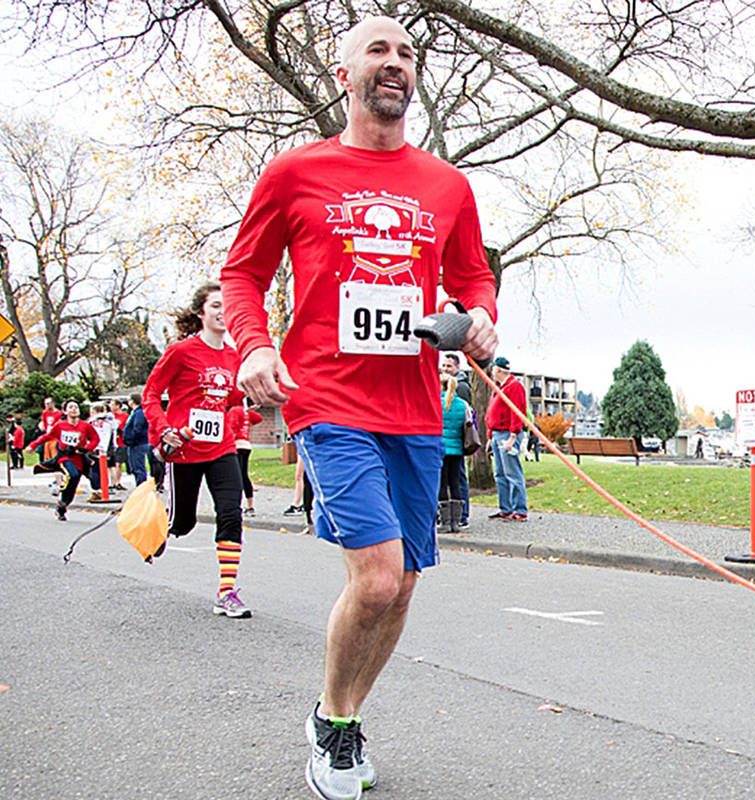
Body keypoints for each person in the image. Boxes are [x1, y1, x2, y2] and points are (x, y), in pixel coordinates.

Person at [220, 15, 498, 800]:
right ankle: (337, 728)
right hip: (327, 400)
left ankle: (338, 714)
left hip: (412, 406)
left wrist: (479, 317)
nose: (395, 63)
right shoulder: (295, 172)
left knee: (404, 583)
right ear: (343, 75)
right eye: (377, 50)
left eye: (407, 53)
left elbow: (475, 279)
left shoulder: (447, 185)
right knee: (376, 579)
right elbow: (242, 275)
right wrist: (254, 346)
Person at [143, 281, 250, 617]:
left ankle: (227, 592)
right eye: (216, 305)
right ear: (201, 312)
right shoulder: (181, 352)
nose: (222, 311)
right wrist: (165, 431)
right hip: (184, 449)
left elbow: (231, 399)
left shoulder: (235, 356)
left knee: (231, 514)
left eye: (227, 305)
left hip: (222, 448)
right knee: (182, 523)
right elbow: (151, 394)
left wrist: (250, 397)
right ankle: (154, 529)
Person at [26, 400, 99, 521]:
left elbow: (95, 439)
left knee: (74, 484)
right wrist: (32, 445)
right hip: (65, 457)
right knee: (72, 475)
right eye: (70, 407)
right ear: (65, 411)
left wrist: (86, 448)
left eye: (76, 407)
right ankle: (61, 494)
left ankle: (62, 507)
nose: (74, 409)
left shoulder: (85, 426)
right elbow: (47, 436)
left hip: (78, 458)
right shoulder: (60, 426)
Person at [485, 356, 528, 522]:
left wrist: (513, 436)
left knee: (512, 472)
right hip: (496, 433)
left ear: (497, 370)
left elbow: (518, 411)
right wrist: (490, 435)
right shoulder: (498, 387)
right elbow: (492, 412)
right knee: (500, 473)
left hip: (506, 433)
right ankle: (505, 507)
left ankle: (519, 509)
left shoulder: (514, 386)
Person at [441, 353, 472, 528]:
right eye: (444, 366)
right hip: (457, 447)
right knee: (455, 481)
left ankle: (449, 519)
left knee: (446, 481)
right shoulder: (461, 405)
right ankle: (457, 517)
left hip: (444, 446)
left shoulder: (458, 392)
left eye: (448, 366)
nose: (445, 369)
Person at [228, 400, 264, 517]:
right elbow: (258, 418)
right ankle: (250, 505)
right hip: (246, 445)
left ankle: (235, 505)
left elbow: (233, 427)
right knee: (244, 475)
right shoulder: (245, 412)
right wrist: (248, 412)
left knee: (235, 477)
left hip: (236, 445)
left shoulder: (234, 410)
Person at [87, 401, 117, 501]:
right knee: (103, 470)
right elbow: (113, 435)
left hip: (94, 448)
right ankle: (103, 489)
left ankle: (97, 490)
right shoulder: (110, 422)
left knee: (94, 470)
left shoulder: (91, 422)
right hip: (106, 448)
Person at [124, 393, 150, 485]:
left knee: (138, 466)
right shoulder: (135, 412)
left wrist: (131, 438)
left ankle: (141, 486)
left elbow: (137, 428)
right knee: (134, 467)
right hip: (134, 444)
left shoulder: (139, 413)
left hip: (137, 444)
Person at [109, 399, 129, 490]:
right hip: (111, 443)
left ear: (118, 406)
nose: (110, 406)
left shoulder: (125, 416)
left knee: (118, 463)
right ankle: (112, 481)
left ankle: (117, 482)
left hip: (121, 442)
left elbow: (125, 428)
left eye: (112, 404)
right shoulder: (109, 416)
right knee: (110, 464)